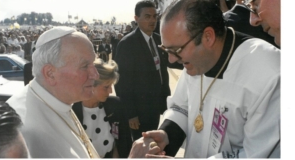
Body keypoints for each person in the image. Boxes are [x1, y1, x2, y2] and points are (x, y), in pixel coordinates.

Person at [130, 0, 280, 158]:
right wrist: (166, 134)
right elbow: (180, 107)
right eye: (166, 49)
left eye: (175, 50)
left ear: (208, 37)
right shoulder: (193, 60)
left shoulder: (270, 72)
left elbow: (257, 153)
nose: (171, 60)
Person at [7, 26, 101, 158]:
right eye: (85, 66)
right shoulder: (22, 131)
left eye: (94, 64)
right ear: (50, 73)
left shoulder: (59, 101)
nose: (95, 75)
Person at [115, 0, 182, 143]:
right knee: (142, 145)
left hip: (156, 104)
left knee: (153, 141)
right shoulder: (127, 44)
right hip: (139, 109)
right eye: (147, 16)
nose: (152, 20)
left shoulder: (158, 40)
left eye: (154, 16)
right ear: (136, 19)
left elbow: (168, 64)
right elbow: (122, 83)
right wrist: (131, 113)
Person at [72, 58, 132, 158]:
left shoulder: (116, 105)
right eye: (106, 87)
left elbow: (123, 141)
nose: (110, 91)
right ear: (91, 85)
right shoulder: (72, 110)